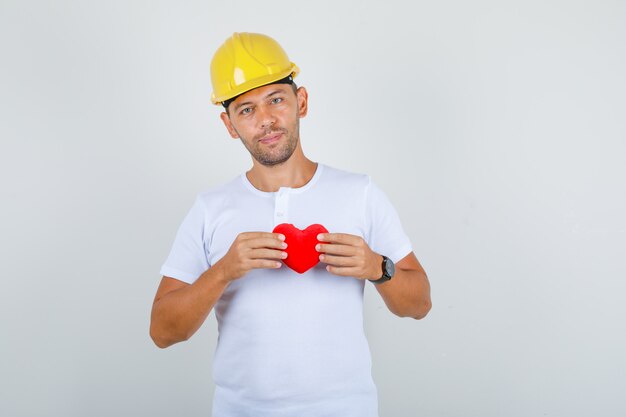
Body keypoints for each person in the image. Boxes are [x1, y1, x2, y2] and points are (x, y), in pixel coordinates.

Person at [150, 32, 431, 417]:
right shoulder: (210, 208)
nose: (265, 120)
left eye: (276, 100)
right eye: (246, 109)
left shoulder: (359, 192)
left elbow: (420, 304)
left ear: (301, 102)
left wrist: (377, 267)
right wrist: (224, 271)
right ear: (229, 125)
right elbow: (163, 332)